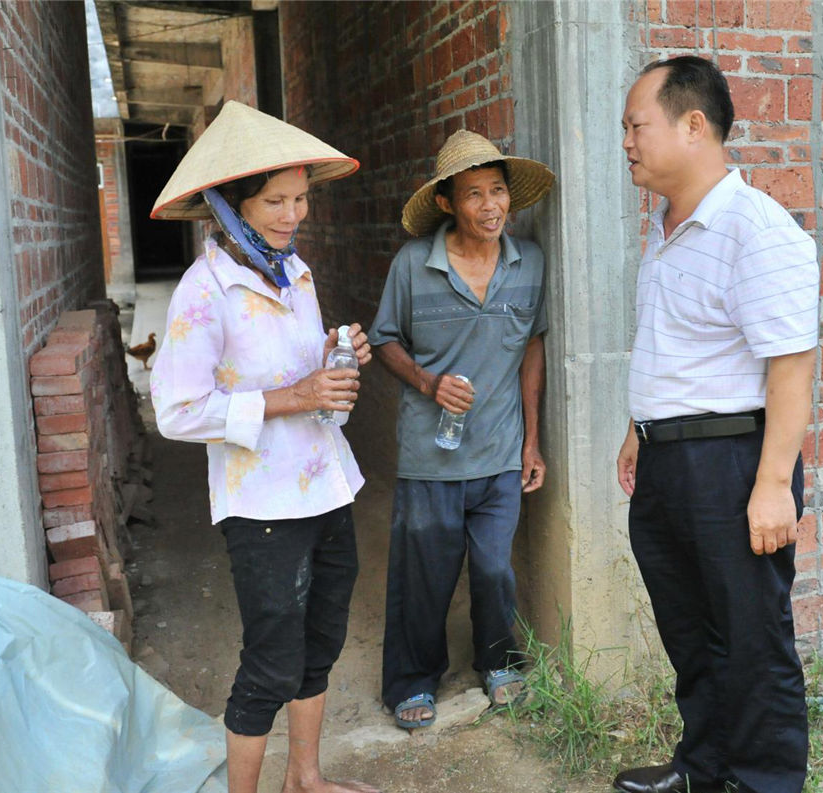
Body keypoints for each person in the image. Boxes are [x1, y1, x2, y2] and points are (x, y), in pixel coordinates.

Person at [149, 100, 380, 793]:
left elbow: (301, 373)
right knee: (271, 663)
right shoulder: (204, 292)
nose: (292, 214)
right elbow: (177, 411)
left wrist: (337, 354)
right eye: (275, 201)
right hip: (262, 504)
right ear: (232, 205)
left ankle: (304, 778)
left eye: (300, 198)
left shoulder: (293, 272)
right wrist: (296, 396)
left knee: (320, 643)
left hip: (326, 484)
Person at [614, 57, 819, 793]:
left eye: (637, 126)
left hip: (733, 466)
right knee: (692, 633)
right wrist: (639, 428)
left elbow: (791, 368)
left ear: (693, 125)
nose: (627, 142)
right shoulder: (666, 228)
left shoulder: (755, 228)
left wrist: (773, 485)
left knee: (752, 642)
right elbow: (676, 343)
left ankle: (764, 781)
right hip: (669, 463)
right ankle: (704, 769)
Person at [369, 129, 555, 730]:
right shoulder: (412, 264)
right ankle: (412, 680)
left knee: (495, 570)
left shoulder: (530, 263)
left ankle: (498, 664)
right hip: (431, 455)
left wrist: (531, 442)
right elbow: (384, 340)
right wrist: (428, 384)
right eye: (474, 194)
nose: (490, 205)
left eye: (497, 190)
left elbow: (531, 349)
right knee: (425, 576)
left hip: (500, 450)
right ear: (447, 202)